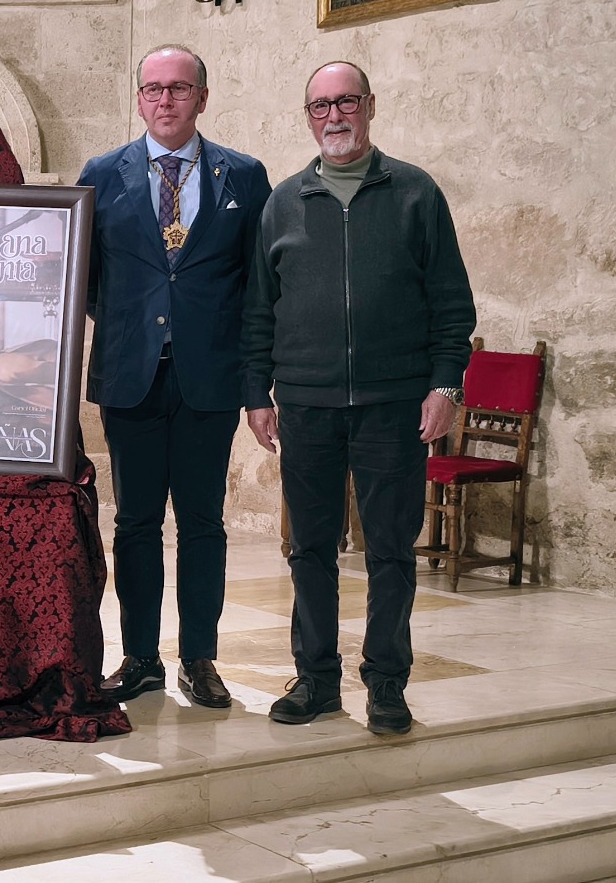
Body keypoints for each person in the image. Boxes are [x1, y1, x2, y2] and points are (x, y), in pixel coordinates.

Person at [243, 61, 475, 736]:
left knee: (391, 551)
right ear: (308, 116)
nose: (334, 116)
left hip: (393, 405)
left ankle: (387, 683)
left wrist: (445, 384)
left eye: (346, 102)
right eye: (321, 106)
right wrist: (256, 391)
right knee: (309, 549)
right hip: (307, 405)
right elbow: (258, 310)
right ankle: (316, 679)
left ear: (369, 106)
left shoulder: (415, 193)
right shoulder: (284, 202)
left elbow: (451, 304)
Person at [78, 47, 271, 708]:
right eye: (154, 89)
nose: (166, 100)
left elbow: (256, 286)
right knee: (134, 523)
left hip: (208, 378)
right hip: (130, 375)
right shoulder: (102, 174)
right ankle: (139, 658)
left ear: (203, 98)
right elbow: (87, 280)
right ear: (139, 99)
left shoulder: (244, 175)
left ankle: (199, 658)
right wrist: (138, 324)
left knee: (203, 523)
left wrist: (254, 381)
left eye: (180, 88)